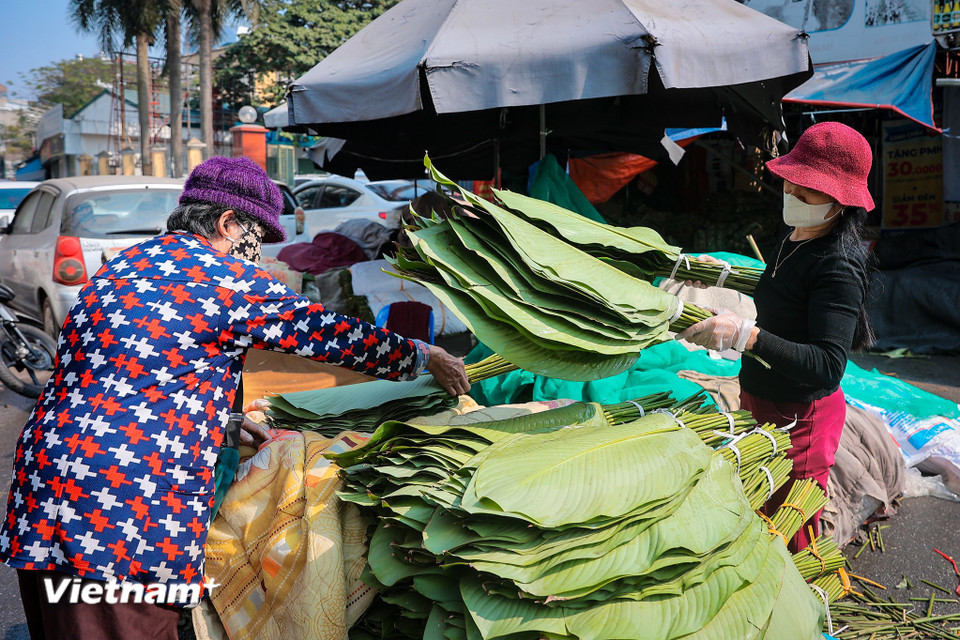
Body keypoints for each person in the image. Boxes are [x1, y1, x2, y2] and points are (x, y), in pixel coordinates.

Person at [0, 156, 470, 639]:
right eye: (257, 238)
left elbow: (128, 372)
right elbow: (326, 333)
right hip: (122, 513)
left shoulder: (125, 266)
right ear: (227, 223)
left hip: (45, 488)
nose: (259, 253)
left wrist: (214, 420)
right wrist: (420, 353)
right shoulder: (224, 278)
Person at [677, 121, 875, 552]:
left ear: (840, 200)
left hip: (800, 417)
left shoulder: (838, 265)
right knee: (757, 506)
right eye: (793, 183)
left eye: (809, 190)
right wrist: (717, 274)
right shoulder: (794, 235)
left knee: (788, 536)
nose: (795, 195)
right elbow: (783, 289)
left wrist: (746, 335)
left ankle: (805, 608)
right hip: (761, 399)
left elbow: (827, 365)